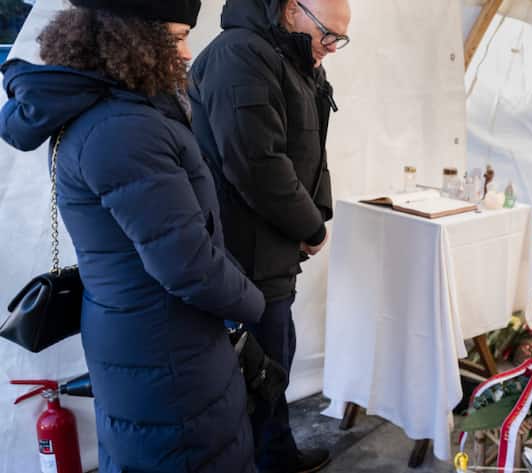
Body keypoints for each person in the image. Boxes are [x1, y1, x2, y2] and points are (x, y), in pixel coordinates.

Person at [0, 2, 266, 472]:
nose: (187, 52)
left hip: (153, 337)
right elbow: (189, 266)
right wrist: (254, 304)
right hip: (164, 347)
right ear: (132, 35)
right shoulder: (123, 129)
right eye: (178, 36)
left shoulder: (115, 112)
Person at [189, 0, 350, 472]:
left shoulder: (293, 58)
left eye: (340, 38)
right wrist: (311, 225)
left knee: (275, 356)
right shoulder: (240, 55)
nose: (332, 47)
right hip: (245, 252)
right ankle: (266, 459)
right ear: (292, 10)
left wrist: (317, 212)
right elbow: (258, 165)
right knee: (259, 365)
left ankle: (275, 453)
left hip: (272, 245)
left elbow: (310, 148)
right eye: (327, 33)